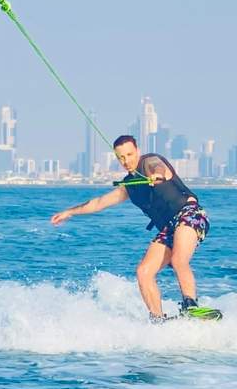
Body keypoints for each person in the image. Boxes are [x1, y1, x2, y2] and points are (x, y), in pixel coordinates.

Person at [51, 135, 210, 323]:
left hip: (189, 214)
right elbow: (99, 202)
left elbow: (158, 167)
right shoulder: (129, 186)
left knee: (178, 259)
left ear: (138, 151)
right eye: (121, 157)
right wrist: (70, 212)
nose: (126, 161)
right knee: (143, 272)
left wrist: (155, 176)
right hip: (169, 228)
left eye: (129, 154)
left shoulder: (150, 162)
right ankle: (158, 320)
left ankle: (191, 306)